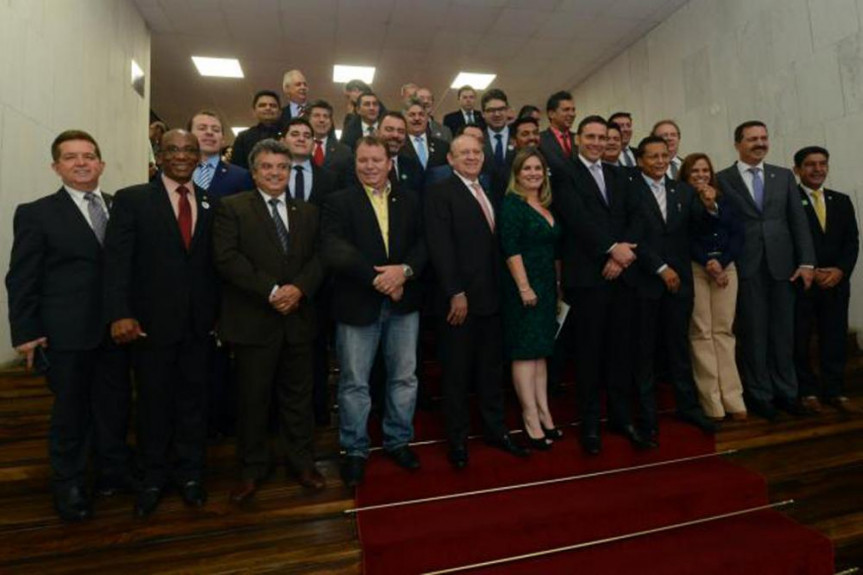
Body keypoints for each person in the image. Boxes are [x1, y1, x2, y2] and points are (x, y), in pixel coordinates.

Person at [6, 130, 133, 521]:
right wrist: (26, 332)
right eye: (71, 157)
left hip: (116, 332)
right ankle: (70, 484)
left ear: (101, 164)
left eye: (89, 156)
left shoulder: (120, 208)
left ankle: (112, 473)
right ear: (55, 166)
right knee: (71, 414)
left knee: (114, 407)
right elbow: (21, 278)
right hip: (67, 334)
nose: (81, 163)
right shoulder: (36, 213)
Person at [104, 129, 219, 517]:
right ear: (160, 155)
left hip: (199, 326)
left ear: (198, 157)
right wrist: (120, 312)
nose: (181, 156)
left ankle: (191, 475)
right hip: (149, 324)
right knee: (153, 403)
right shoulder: (132, 199)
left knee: (194, 403)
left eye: (189, 150)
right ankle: (153, 477)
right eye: (173, 150)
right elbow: (117, 262)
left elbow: (213, 266)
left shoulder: (212, 202)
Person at [213, 139, 326, 502]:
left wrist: (299, 289)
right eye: (267, 167)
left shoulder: (308, 211)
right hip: (254, 320)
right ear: (254, 171)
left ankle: (302, 463)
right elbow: (227, 258)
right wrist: (273, 290)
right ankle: (252, 468)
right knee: (252, 400)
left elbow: (320, 257)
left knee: (298, 399)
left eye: (282, 167)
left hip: (298, 320)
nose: (275, 173)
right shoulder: (232, 208)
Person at [321, 137, 427, 487]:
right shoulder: (338, 201)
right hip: (357, 304)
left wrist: (404, 272)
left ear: (389, 163)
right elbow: (334, 248)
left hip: (404, 303)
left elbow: (424, 244)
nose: (369, 166)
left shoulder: (411, 199)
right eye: (363, 160)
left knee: (404, 377)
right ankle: (354, 449)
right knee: (354, 382)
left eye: (376, 160)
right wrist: (380, 279)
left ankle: (398, 440)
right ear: (355, 164)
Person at [425, 135, 530, 468]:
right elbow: (440, 247)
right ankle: (457, 440)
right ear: (450, 159)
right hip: (460, 303)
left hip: (493, 299)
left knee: (491, 371)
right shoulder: (439, 193)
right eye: (463, 153)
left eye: (476, 152)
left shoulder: (490, 190)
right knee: (456, 374)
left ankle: (495, 430)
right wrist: (455, 292)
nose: (471, 157)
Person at [551, 116, 649, 455]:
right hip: (586, 278)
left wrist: (621, 256)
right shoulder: (564, 173)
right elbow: (577, 218)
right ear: (578, 138)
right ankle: (590, 423)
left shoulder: (620, 174)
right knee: (588, 354)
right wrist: (611, 248)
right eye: (590, 136)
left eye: (602, 137)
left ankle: (621, 418)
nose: (596, 142)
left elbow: (639, 215)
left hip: (622, 276)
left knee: (621, 351)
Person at [716, 121, 816, 420]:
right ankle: (760, 395)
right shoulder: (723, 179)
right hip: (745, 265)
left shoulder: (783, 176)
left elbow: (798, 221)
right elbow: (720, 225)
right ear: (738, 144)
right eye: (752, 139)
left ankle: (787, 393)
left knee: (784, 333)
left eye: (763, 138)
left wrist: (807, 262)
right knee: (754, 333)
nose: (760, 143)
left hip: (784, 267)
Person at [630, 136, 717, 437]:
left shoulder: (683, 191)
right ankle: (647, 414)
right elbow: (633, 236)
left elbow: (699, 230)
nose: (659, 161)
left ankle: (688, 407)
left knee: (679, 347)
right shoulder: (629, 191)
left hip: (680, 283)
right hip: (645, 281)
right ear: (640, 160)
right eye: (652, 156)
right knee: (644, 350)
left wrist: (709, 206)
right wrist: (660, 267)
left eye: (664, 156)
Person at [499, 148, 562, 449]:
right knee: (525, 352)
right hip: (523, 288)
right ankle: (529, 417)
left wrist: (557, 287)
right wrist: (524, 287)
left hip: (547, 287)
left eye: (538, 168)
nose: (533, 173)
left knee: (540, 352)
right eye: (527, 169)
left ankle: (544, 411)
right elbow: (510, 249)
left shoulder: (546, 204)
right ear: (517, 174)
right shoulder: (512, 205)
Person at [792, 146, 860, 414]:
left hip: (835, 283)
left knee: (835, 337)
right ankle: (807, 391)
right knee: (800, 339)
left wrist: (840, 271)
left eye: (822, 164)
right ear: (797, 170)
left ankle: (834, 391)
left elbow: (852, 242)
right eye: (810, 164)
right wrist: (811, 269)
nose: (817, 169)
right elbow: (786, 242)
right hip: (803, 283)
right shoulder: (789, 200)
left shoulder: (841, 200)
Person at [681, 153, 747, 421]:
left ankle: (732, 397)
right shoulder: (681, 199)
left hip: (726, 268)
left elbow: (737, 233)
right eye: (695, 171)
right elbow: (685, 236)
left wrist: (722, 262)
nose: (701, 175)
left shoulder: (725, 197)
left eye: (705, 170)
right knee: (702, 332)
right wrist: (707, 261)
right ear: (686, 175)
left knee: (723, 331)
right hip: (697, 267)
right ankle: (711, 401)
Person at [188, 110, 254, 200]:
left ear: (223, 140)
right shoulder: (173, 172)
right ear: (188, 136)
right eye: (202, 128)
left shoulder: (242, 176)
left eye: (216, 130)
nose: (209, 132)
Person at [231, 90, 284, 170]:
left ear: (280, 112)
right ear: (254, 111)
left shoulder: (288, 135)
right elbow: (237, 168)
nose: (268, 108)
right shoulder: (243, 137)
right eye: (262, 105)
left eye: (273, 106)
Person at [307, 100, 353, 186]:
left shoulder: (344, 151)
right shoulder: (299, 147)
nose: (322, 120)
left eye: (326, 116)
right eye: (317, 116)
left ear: (331, 122)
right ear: (308, 120)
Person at [403, 98, 449, 171]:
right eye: (412, 115)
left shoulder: (442, 147)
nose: (417, 118)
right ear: (404, 119)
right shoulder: (399, 146)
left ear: (427, 118)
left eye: (421, 114)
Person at [539, 91, 577, 176]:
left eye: (573, 110)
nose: (572, 114)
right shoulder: (540, 140)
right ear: (551, 114)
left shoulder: (579, 138)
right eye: (566, 110)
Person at [481, 89, 513, 169]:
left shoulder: (518, 137)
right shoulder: (478, 140)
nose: (497, 114)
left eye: (501, 109)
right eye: (491, 110)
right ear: (483, 114)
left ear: (507, 111)